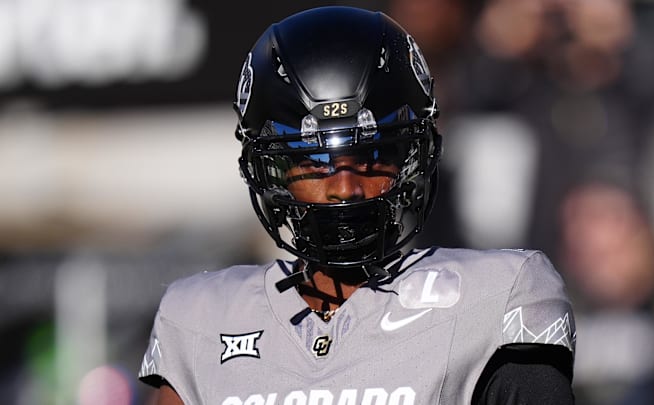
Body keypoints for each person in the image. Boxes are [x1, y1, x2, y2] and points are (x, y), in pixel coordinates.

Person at [138, 6, 576, 405]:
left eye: (370, 156)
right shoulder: (200, 321)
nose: (345, 188)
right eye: (315, 161)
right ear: (273, 170)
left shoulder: (496, 298)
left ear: (411, 157)